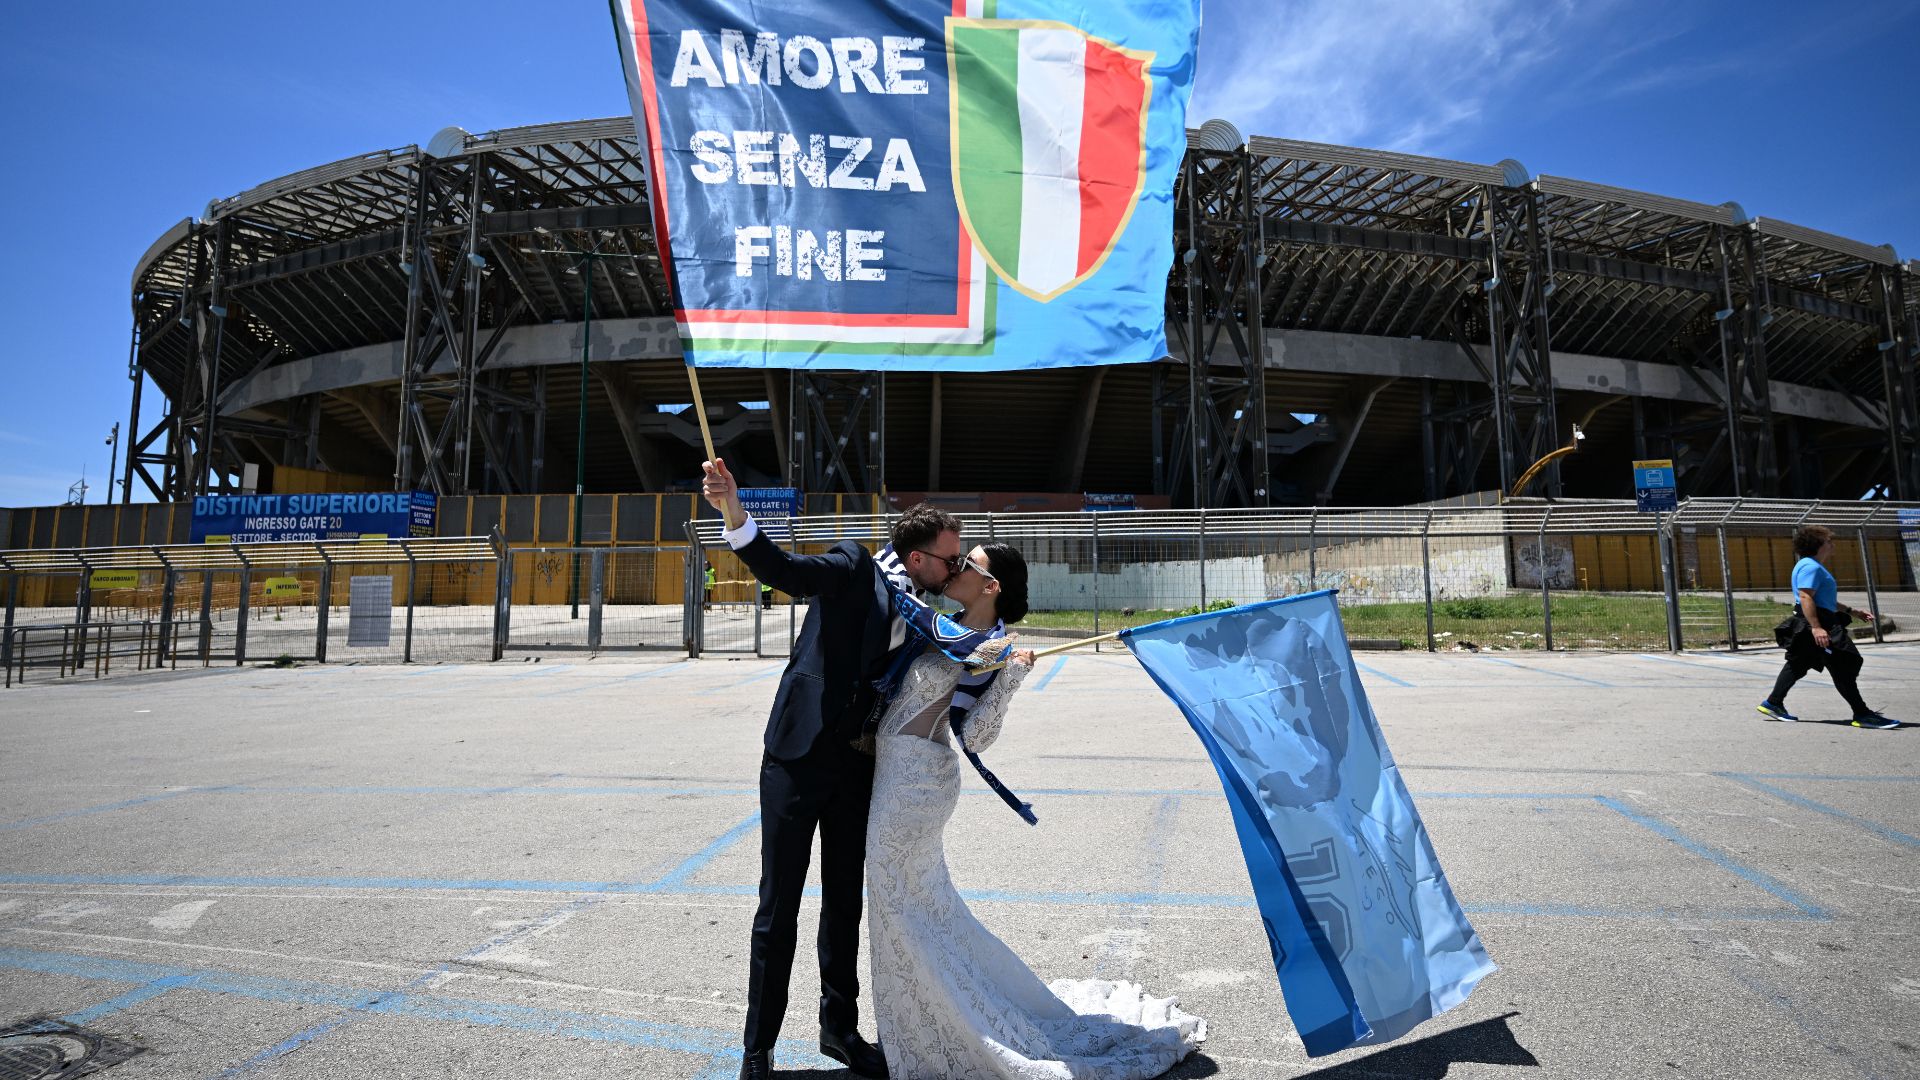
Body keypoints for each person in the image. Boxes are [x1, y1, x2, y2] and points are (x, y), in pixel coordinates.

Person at [866, 541, 1208, 1079]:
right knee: (915, 906)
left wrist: (1010, 679)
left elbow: (974, 735)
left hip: (915, 785)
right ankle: (923, 1026)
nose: (953, 568)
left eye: (965, 563)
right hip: (896, 771)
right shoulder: (951, 626)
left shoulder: (993, 645)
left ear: (990, 585)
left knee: (898, 903)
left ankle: (947, 1032)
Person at [702, 456, 964, 1080]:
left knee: (843, 901)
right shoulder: (855, 566)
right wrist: (735, 514)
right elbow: (787, 572)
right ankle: (758, 1047)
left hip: (855, 764)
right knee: (779, 905)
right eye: (949, 560)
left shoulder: (925, 615)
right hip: (797, 756)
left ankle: (839, 1030)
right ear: (920, 557)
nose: (953, 569)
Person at [1757, 523, 1896, 728]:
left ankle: (1773, 702)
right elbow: (1805, 596)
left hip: (1818, 619)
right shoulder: (1810, 567)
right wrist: (1816, 627)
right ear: (1818, 544)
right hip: (1818, 623)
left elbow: (1824, 599)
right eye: (1829, 541)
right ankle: (1863, 714)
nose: (1832, 544)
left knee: (1799, 664)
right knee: (1842, 665)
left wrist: (1852, 611)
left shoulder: (1812, 565)